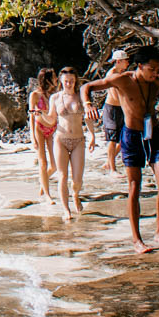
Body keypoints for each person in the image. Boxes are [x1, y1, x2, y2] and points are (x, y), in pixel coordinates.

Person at [81, 47, 159, 254]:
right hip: (131, 136)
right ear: (139, 66)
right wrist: (88, 104)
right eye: (151, 69)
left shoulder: (156, 81)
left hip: (153, 134)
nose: (155, 73)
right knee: (135, 186)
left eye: (157, 69)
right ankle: (137, 239)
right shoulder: (122, 80)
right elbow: (88, 86)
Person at [49, 68, 96, 221]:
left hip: (78, 141)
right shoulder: (55, 98)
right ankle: (66, 209)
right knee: (62, 176)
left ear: (76, 81)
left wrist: (93, 135)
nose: (69, 84)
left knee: (77, 180)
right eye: (66, 81)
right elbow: (51, 119)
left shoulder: (81, 97)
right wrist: (39, 115)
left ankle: (75, 195)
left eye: (72, 81)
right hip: (60, 140)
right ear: (61, 82)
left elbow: (88, 117)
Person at [28, 67, 58, 202]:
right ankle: (47, 195)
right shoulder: (35, 95)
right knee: (43, 163)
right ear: (47, 79)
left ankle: (42, 182)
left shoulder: (55, 94)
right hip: (39, 129)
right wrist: (32, 137)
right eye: (54, 77)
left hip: (52, 130)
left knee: (54, 165)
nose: (56, 79)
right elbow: (31, 118)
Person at [99, 49, 130, 173]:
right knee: (112, 139)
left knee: (123, 138)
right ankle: (112, 168)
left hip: (120, 108)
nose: (128, 62)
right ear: (118, 61)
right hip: (112, 109)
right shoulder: (112, 74)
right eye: (126, 60)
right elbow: (114, 94)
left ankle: (108, 162)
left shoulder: (121, 73)